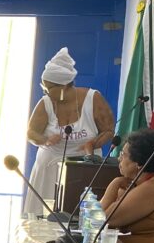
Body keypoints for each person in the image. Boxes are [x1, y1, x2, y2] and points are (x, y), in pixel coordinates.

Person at [23, 47, 115, 216]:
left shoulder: (93, 98)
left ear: (64, 85)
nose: (45, 91)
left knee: (78, 215)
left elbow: (109, 131)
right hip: (49, 166)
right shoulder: (46, 103)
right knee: (42, 216)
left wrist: (93, 143)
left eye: (48, 88)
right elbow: (31, 133)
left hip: (83, 167)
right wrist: (45, 140)